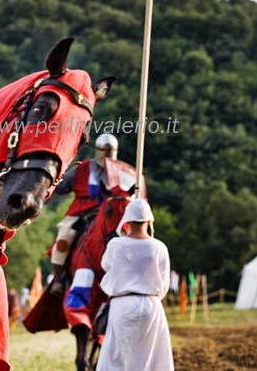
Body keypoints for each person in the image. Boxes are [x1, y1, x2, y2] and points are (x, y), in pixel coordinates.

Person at [96, 199, 174, 371]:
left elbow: (105, 265)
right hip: (151, 306)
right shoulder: (159, 247)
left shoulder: (116, 245)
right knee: (150, 358)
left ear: (127, 220)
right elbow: (164, 283)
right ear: (149, 221)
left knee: (119, 358)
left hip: (122, 306)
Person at [48, 133, 119, 295]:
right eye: (104, 151)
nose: (107, 156)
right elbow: (61, 187)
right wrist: (58, 175)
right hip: (82, 213)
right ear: (98, 151)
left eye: (110, 151)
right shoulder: (82, 169)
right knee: (64, 236)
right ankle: (59, 278)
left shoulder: (121, 171)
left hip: (110, 214)